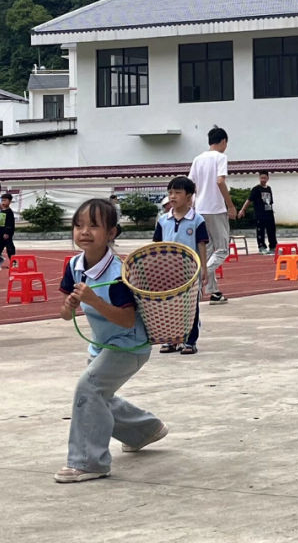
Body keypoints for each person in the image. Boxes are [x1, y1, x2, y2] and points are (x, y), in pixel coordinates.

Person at [55, 198, 165, 483]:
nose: (84, 232)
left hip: (129, 346)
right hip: (102, 345)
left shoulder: (119, 275)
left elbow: (128, 320)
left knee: (88, 389)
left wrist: (92, 300)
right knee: (99, 395)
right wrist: (68, 306)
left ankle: (89, 462)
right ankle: (146, 430)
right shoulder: (74, 265)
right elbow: (65, 315)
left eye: (94, 225)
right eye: (78, 225)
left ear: (112, 233)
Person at [153, 177, 208, 354]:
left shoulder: (196, 220)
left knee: (190, 306)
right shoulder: (163, 220)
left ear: (189, 196)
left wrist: (204, 269)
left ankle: (190, 341)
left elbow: (201, 245)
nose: (173, 196)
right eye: (170, 193)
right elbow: (156, 246)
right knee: (168, 306)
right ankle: (171, 340)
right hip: (167, 272)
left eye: (178, 193)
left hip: (189, 272)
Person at [187, 127, 234, 304]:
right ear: (223, 141)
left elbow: (191, 185)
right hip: (216, 208)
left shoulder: (198, 159)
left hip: (200, 209)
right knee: (222, 250)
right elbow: (220, 180)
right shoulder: (220, 157)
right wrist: (230, 205)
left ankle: (213, 292)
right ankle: (200, 276)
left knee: (206, 251)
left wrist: (191, 207)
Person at [239, 172, 277, 255]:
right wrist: (242, 210)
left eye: (264, 178)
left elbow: (270, 202)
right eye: (261, 178)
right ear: (259, 178)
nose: (263, 180)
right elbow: (249, 200)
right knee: (261, 231)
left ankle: (273, 247)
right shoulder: (256, 189)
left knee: (271, 230)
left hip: (269, 213)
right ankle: (261, 247)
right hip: (260, 214)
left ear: (268, 178)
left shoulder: (269, 188)